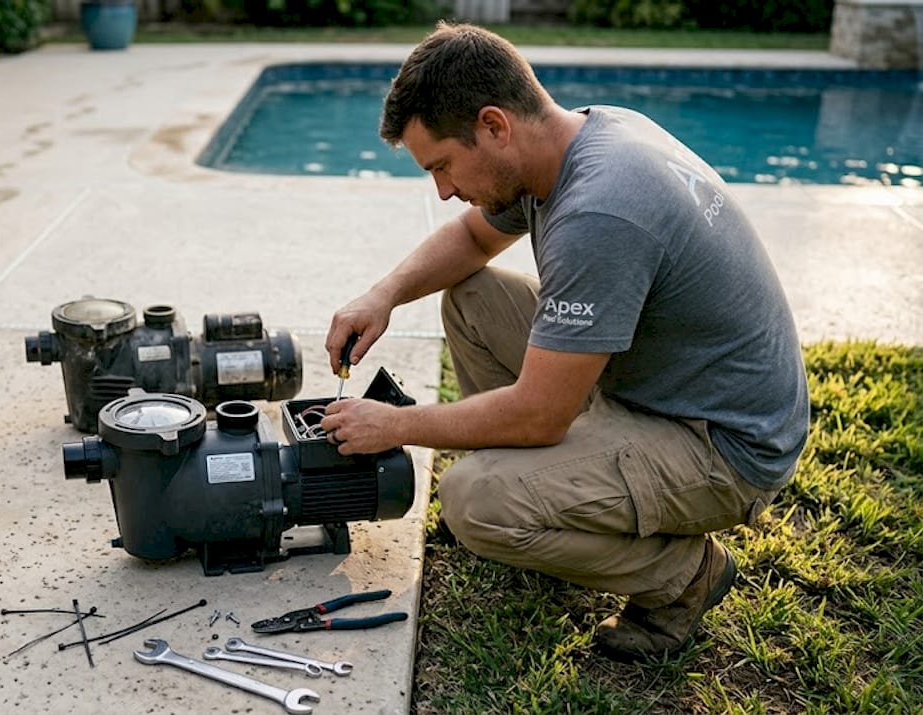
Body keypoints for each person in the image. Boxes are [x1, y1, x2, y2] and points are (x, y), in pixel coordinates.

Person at [318, 22, 809, 662]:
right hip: (657, 382)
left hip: (721, 444)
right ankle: (544, 502)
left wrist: (397, 426)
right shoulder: (579, 137)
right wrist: (380, 296)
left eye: (442, 165)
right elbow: (471, 241)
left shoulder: (600, 211)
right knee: (473, 296)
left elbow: (540, 415)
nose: (442, 190)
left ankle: (685, 578)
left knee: (473, 501)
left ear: (494, 126)